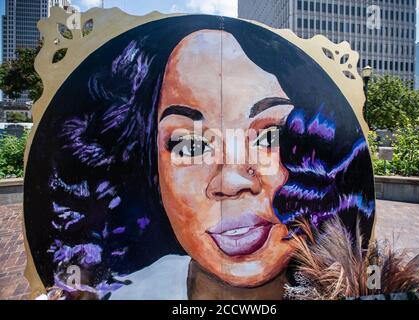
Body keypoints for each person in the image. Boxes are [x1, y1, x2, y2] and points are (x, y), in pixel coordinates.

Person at [24, 15, 375, 300]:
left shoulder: (357, 291)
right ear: (150, 170)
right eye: (190, 146)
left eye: (270, 136)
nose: (231, 181)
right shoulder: (127, 295)